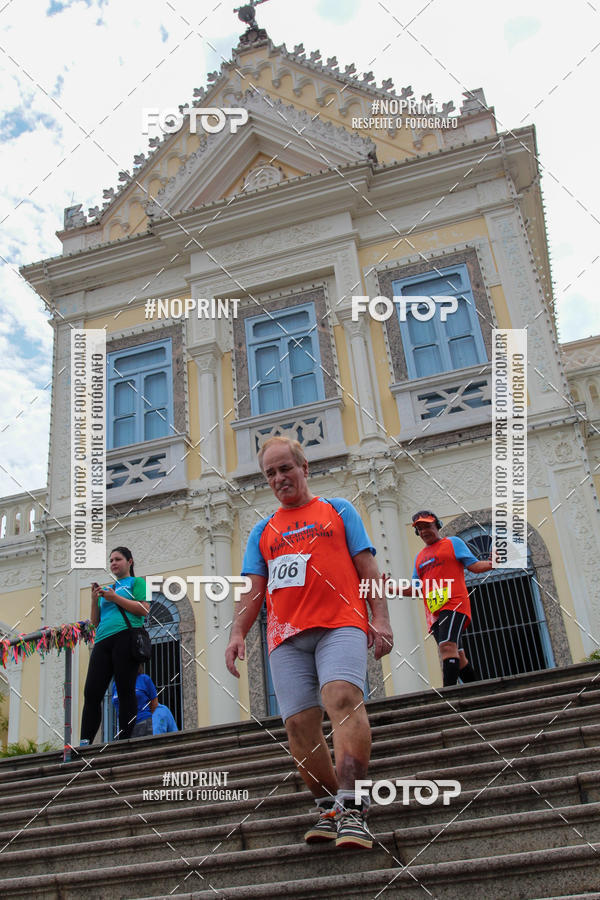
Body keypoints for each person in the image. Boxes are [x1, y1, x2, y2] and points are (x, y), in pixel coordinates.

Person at [225, 436, 393, 850]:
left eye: (286, 468)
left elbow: (368, 568)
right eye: (270, 472)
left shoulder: (337, 510)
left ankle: (353, 809)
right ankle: (329, 807)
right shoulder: (263, 531)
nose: (279, 478)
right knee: (298, 725)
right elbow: (253, 589)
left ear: (304, 468)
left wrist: (381, 619)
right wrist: (236, 634)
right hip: (285, 637)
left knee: (340, 697)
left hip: (341, 623)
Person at [410, 511, 493, 687]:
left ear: (437, 525)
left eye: (427, 526)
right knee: (458, 655)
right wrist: (388, 588)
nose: (424, 531)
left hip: (454, 603)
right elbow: (415, 589)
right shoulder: (419, 558)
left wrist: (493, 563)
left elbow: (475, 566)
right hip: (434, 612)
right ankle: (480, 693)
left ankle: (448, 696)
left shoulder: (453, 543)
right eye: (419, 528)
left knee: (447, 646)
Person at [80, 546, 149, 743]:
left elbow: (144, 610)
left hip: (126, 637)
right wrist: (95, 600)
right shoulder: (109, 588)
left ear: (129, 562)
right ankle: (85, 740)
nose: (113, 563)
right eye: (111, 560)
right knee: (91, 692)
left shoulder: (137, 582)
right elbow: (94, 623)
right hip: (102, 640)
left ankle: (125, 738)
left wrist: (115, 598)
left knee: (125, 688)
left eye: (118, 559)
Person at [111, 665, 158, 738]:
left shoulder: (144, 679)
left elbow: (154, 703)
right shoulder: (115, 685)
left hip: (142, 722)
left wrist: (143, 715)